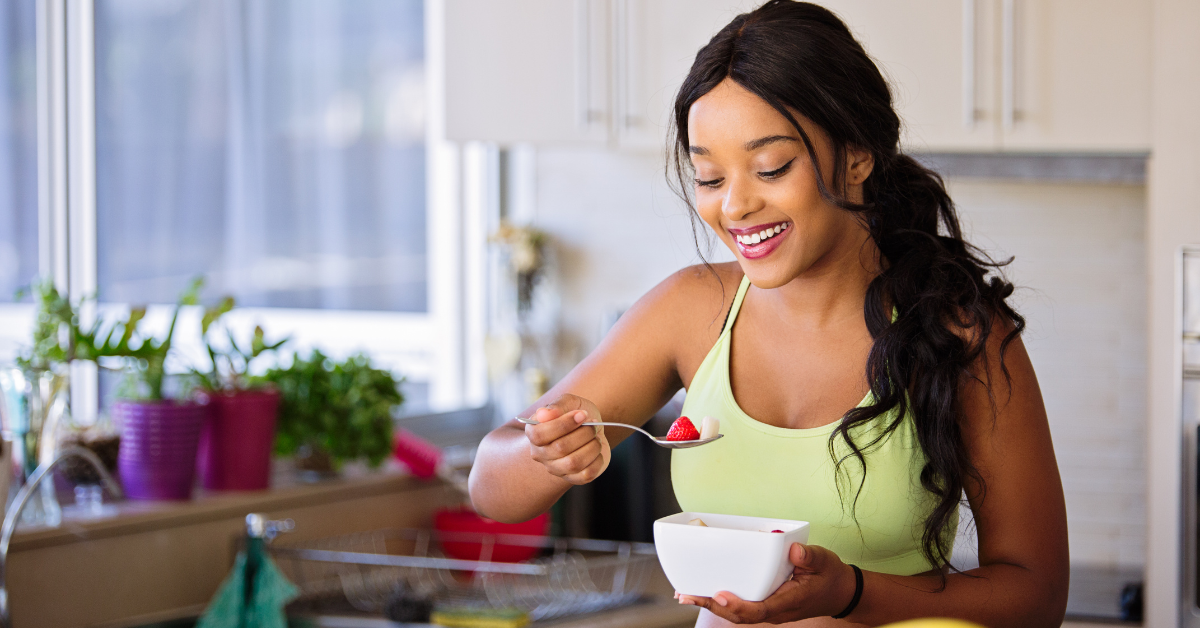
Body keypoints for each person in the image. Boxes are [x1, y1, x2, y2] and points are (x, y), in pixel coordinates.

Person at [467, 1, 1069, 625]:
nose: (735, 206)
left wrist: (852, 592)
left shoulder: (955, 332)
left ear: (857, 156)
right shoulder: (690, 309)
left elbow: (1038, 595)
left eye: (771, 168)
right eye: (707, 176)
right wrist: (546, 453)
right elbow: (490, 486)